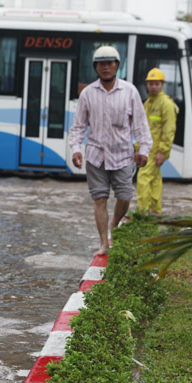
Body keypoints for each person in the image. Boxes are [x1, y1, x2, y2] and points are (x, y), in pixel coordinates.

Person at [69, 45, 153, 256]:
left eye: (110, 63)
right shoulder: (88, 93)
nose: (106, 67)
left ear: (117, 65)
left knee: (124, 197)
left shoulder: (129, 91)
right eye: (101, 64)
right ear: (96, 67)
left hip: (123, 155)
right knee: (99, 199)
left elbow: (140, 124)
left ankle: (114, 224)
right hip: (96, 155)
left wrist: (144, 149)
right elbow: (79, 125)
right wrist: (75, 149)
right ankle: (104, 243)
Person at [136, 67, 178, 217]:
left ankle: (142, 212)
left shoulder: (166, 104)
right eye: (151, 83)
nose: (153, 86)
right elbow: (142, 127)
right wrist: (137, 147)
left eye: (156, 83)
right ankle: (155, 211)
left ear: (162, 85)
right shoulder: (148, 103)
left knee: (143, 178)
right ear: (147, 85)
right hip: (148, 149)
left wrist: (163, 151)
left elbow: (169, 129)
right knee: (154, 179)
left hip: (156, 150)